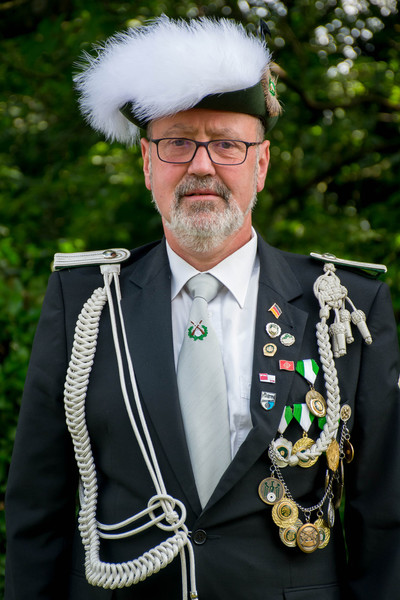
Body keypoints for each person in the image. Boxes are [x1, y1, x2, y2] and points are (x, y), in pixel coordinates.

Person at [5, 15, 400, 600]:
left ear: (261, 165)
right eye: (177, 142)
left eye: (227, 145)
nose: (201, 166)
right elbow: (37, 512)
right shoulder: (84, 302)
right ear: (147, 164)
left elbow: (385, 520)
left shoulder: (344, 306)